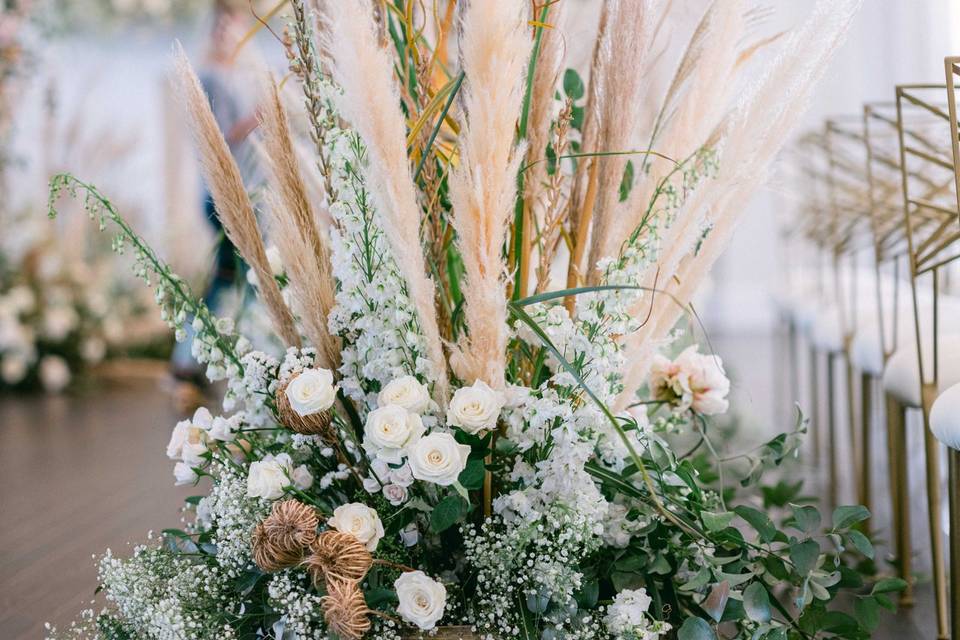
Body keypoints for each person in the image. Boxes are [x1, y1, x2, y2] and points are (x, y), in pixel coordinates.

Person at [171, 0, 259, 409]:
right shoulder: (210, 76)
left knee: (241, 279)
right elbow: (220, 137)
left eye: (235, 25)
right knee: (233, 280)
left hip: (242, 193)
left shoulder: (240, 73)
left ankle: (197, 360)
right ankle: (188, 360)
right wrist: (263, 117)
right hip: (223, 196)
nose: (229, 34)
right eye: (222, 27)